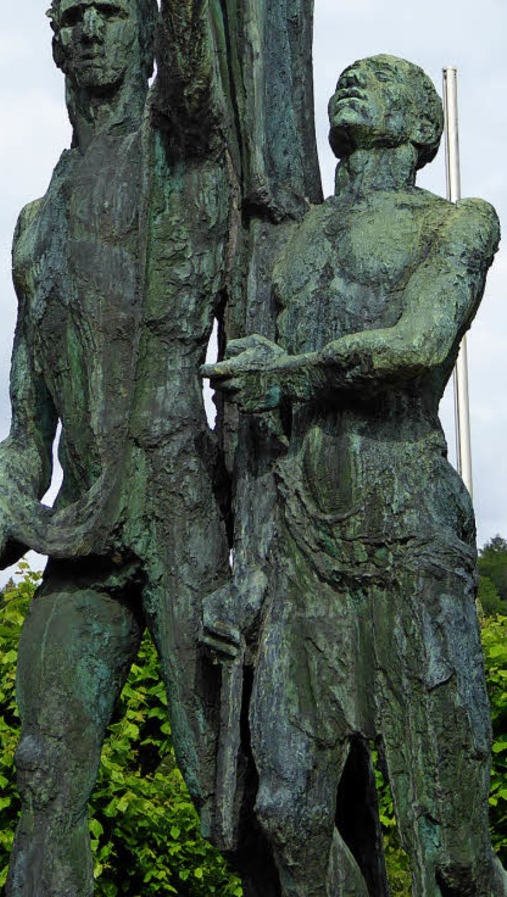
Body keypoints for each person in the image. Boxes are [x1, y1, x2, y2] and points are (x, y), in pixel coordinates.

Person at [0, 0, 233, 895]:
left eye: (108, 14)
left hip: (182, 515)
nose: (87, 30)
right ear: (53, 45)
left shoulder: (190, 157)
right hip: (83, 530)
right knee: (44, 764)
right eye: (70, 18)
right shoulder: (36, 222)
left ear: (146, 42)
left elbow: (195, 5)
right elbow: (26, 422)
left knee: (232, 784)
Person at [205, 54, 505, 896]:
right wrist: (249, 576)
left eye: (379, 79)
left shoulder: (459, 223)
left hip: (407, 534)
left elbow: (418, 345)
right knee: (287, 815)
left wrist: (290, 371)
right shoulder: (291, 238)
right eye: (347, 75)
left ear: (421, 126)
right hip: (302, 549)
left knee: (449, 850)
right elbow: (263, 433)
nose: (350, 83)